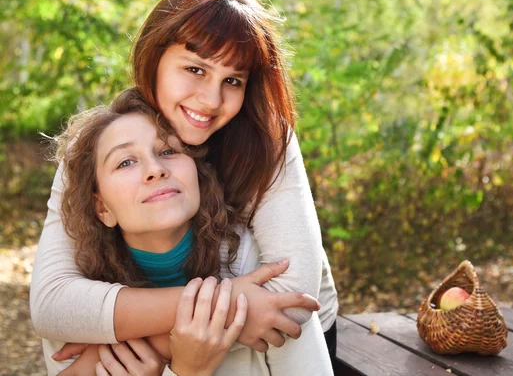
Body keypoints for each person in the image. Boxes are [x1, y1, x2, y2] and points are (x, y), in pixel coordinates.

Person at [30, 0, 338, 370]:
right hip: (229, 320)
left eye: (233, 80)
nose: (210, 100)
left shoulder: (265, 140)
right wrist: (205, 314)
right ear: (154, 60)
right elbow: (53, 304)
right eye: (195, 69)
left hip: (287, 343)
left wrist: (107, 355)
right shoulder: (100, 144)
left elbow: (288, 302)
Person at [42, 88, 332, 375]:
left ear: (197, 175)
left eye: (168, 150)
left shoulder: (261, 272)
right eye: (125, 162)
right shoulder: (79, 311)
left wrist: (148, 345)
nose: (154, 169)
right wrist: (186, 370)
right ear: (102, 208)